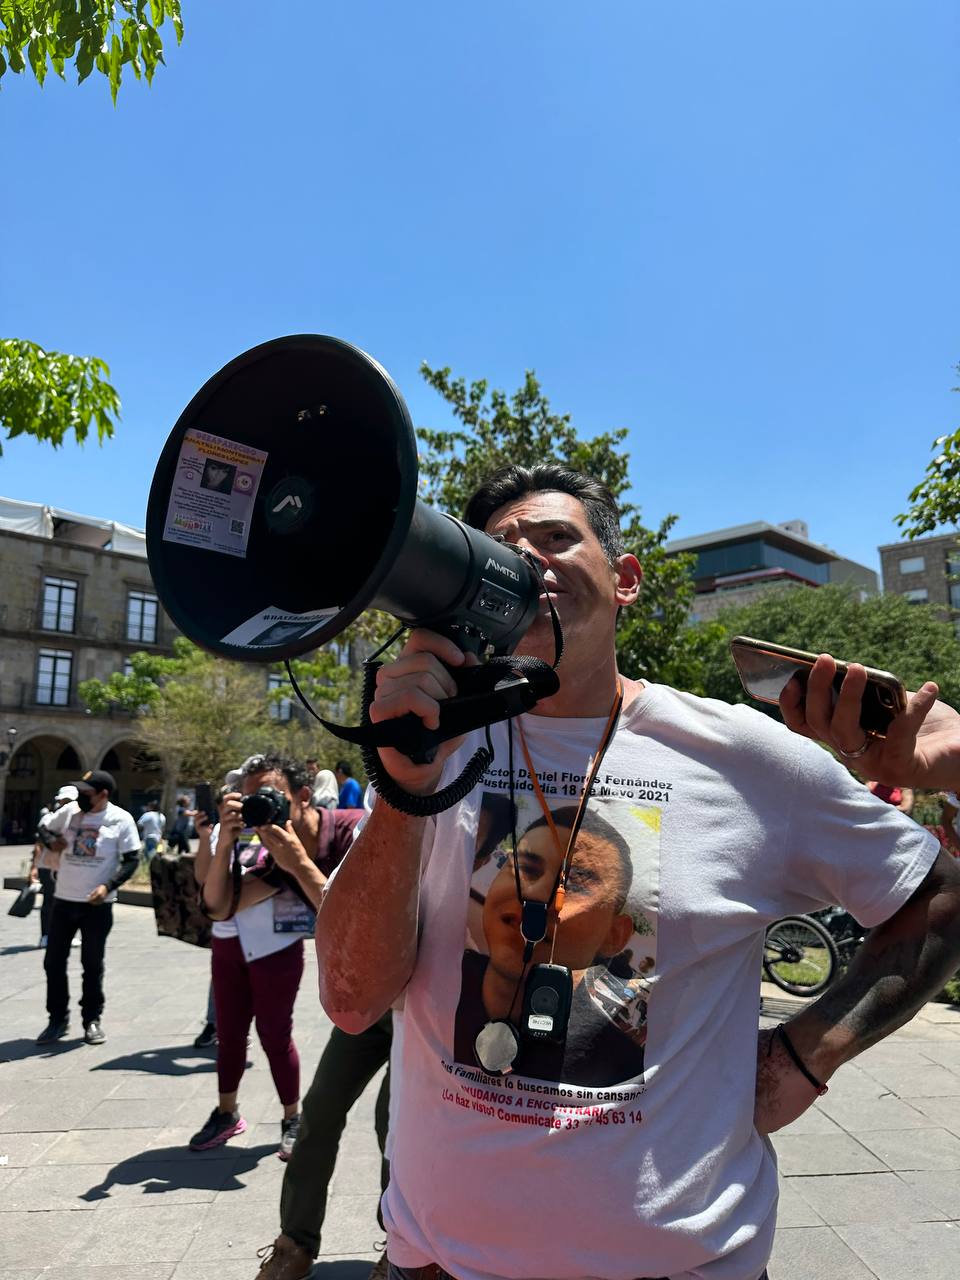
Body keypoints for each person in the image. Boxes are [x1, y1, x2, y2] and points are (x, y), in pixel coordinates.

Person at [315, 463, 960, 1280]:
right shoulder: (432, 746)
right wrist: (401, 788)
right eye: (501, 551)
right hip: (435, 1265)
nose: (528, 562)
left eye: (555, 539)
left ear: (624, 581)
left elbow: (936, 894)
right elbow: (350, 997)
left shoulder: (742, 759)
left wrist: (807, 1056)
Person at [254, 805, 391, 1280]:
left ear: (305, 797)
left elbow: (359, 916)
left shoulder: (360, 827)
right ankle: (294, 1243)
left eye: (273, 799)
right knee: (318, 1114)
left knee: (393, 1125)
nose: (263, 812)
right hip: (372, 1001)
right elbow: (218, 904)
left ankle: (405, 1249)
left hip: (421, 1004)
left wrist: (298, 862)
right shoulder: (279, 852)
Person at [190, 756, 330, 1158]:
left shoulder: (287, 832)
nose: (256, 803)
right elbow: (207, 886)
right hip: (227, 945)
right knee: (229, 1036)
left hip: (274, 946)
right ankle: (226, 1112)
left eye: (264, 795)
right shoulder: (228, 829)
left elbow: (262, 886)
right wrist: (216, 839)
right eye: (248, 795)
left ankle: (291, 1116)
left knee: (275, 1035)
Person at [36, 770, 141, 1046]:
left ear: (103, 794)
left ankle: (92, 1019)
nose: (81, 797)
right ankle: (57, 1019)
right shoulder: (69, 812)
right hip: (63, 900)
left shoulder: (121, 819)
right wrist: (50, 842)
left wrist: (108, 886)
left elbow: (132, 859)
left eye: (87, 793)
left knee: (92, 964)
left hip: (97, 905)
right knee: (53, 962)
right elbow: (43, 828)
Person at [30, 785, 78, 947]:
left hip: (68, 866)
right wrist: (34, 868)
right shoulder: (48, 819)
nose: (67, 804)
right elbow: (39, 845)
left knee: (70, 903)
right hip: (49, 867)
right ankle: (46, 935)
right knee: (50, 902)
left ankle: (67, 935)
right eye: (64, 801)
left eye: (70, 801)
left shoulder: (78, 821)